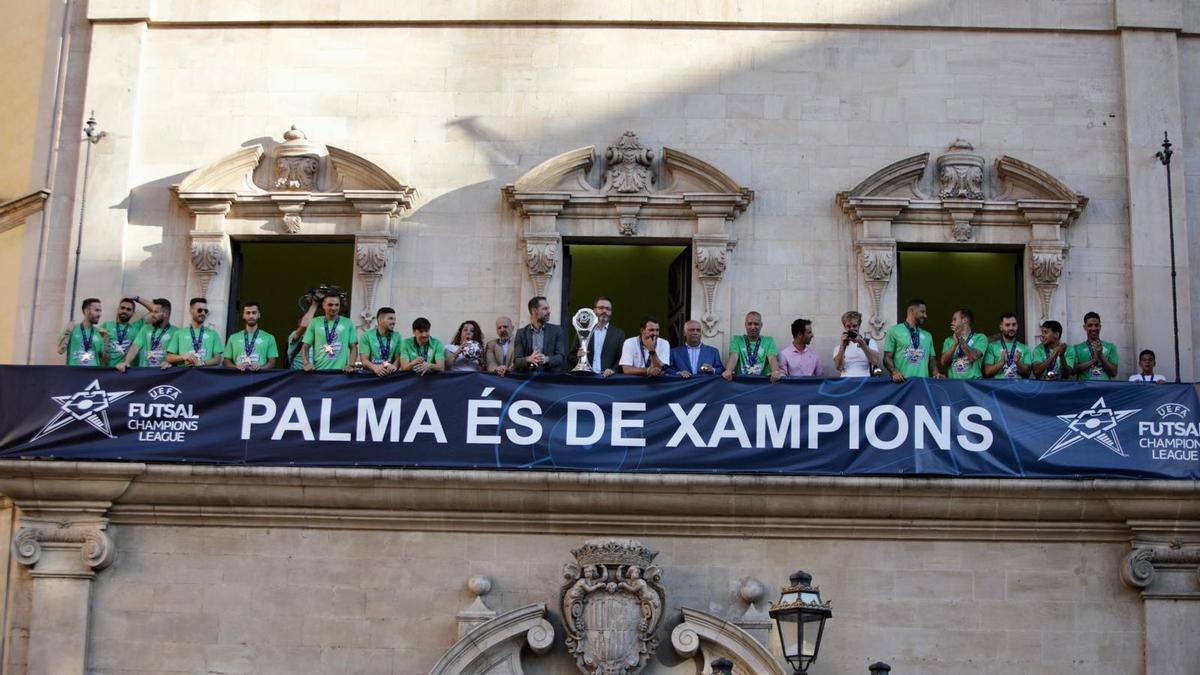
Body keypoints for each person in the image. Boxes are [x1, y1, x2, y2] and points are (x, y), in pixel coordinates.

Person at [883, 298, 940, 382]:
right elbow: (887, 357)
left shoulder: (928, 335)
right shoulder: (894, 331)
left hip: (923, 383)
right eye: (922, 312)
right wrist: (894, 372)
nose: (925, 316)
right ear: (911, 311)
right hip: (902, 383)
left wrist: (936, 373)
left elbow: (932, 360)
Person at [568, 296, 625, 377]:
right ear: (594, 310)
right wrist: (578, 357)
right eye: (601, 308)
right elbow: (570, 357)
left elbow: (622, 358)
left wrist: (613, 370)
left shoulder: (619, 334)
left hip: (607, 379)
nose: (604, 311)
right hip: (585, 377)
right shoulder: (583, 331)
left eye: (608, 309)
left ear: (611, 312)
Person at [301, 294, 357, 373]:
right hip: (319, 372)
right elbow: (305, 346)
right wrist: (306, 364)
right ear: (323, 305)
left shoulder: (348, 322)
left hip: (340, 373)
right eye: (330, 305)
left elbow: (353, 347)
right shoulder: (315, 322)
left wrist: (351, 365)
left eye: (336, 305)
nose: (334, 308)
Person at [116, 298, 176, 372]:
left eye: (156, 312)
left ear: (166, 314)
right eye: (152, 312)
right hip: (144, 374)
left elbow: (176, 355)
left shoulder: (176, 332)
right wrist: (126, 362)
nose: (152, 315)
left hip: (163, 374)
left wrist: (170, 363)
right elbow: (135, 347)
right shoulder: (145, 328)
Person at [723, 311, 781, 383]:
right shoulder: (737, 340)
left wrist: (775, 371)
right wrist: (729, 370)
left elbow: (772, 358)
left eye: (756, 324)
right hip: (741, 384)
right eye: (749, 324)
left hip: (761, 385)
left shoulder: (768, 340)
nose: (753, 327)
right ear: (745, 325)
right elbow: (733, 356)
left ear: (761, 325)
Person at [513, 296, 567, 372]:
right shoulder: (521, 333)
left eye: (548, 308)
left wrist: (546, 359)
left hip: (550, 378)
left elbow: (561, 357)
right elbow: (517, 361)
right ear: (534, 311)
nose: (549, 311)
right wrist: (529, 359)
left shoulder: (557, 330)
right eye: (545, 309)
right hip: (527, 378)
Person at [165, 298, 223, 368]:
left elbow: (218, 359)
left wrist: (201, 363)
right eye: (200, 310)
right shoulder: (179, 333)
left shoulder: (213, 334)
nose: (203, 313)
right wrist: (184, 357)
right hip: (184, 375)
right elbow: (169, 357)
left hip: (205, 375)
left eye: (205, 311)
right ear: (191, 310)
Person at [223, 301, 278, 370]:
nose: (251, 316)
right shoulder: (233, 337)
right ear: (243, 315)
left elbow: (272, 363)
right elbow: (226, 361)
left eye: (254, 313)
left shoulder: (269, 337)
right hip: (238, 377)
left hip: (260, 377)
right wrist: (236, 367)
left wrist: (260, 368)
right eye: (248, 313)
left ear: (259, 315)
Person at [100, 296, 153, 367]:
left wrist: (137, 298)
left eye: (128, 309)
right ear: (118, 309)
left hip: (128, 371)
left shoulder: (137, 326)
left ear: (133, 313)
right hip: (109, 370)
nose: (124, 311)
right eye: (122, 308)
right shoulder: (106, 325)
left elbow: (155, 310)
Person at [57, 298, 108, 366]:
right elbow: (60, 351)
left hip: (92, 374)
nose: (99, 314)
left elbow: (105, 360)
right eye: (96, 310)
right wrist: (68, 332)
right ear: (86, 311)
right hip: (75, 374)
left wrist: (105, 341)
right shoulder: (72, 328)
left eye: (100, 311)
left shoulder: (99, 333)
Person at [939, 308, 987, 380]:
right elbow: (943, 362)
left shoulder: (980, 337)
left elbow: (973, 357)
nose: (952, 323)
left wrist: (960, 339)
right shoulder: (948, 340)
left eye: (954, 319)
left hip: (973, 383)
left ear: (965, 320)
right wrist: (954, 344)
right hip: (953, 383)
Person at [983, 312, 1032, 379]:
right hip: (998, 387)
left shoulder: (1025, 348)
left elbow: (1028, 373)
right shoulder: (991, 346)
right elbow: (987, 372)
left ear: (1017, 326)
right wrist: (1001, 363)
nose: (1011, 328)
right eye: (1007, 325)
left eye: (1014, 325)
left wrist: (1018, 362)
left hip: (1018, 387)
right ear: (1001, 327)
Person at [1071, 312, 1119, 381]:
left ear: (1100, 327)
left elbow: (1114, 373)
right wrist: (1094, 360)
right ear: (1085, 327)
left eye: (1096, 325)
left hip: (1104, 388)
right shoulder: (1076, 348)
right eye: (1090, 325)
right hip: (1084, 388)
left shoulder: (1111, 347)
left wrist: (1101, 355)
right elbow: (1073, 371)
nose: (1093, 328)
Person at [832, 310, 879, 378]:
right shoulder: (838, 347)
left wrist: (862, 343)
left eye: (854, 326)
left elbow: (875, 361)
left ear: (859, 326)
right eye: (848, 326)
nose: (852, 329)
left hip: (865, 382)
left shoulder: (870, 342)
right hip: (846, 382)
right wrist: (843, 345)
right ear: (844, 327)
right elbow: (838, 367)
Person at [357, 307, 402, 377]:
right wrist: (375, 367)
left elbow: (398, 358)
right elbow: (364, 360)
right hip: (371, 376)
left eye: (394, 319)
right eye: (390, 318)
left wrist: (394, 366)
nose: (394, 322)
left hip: (390, 376)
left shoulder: (397, 336)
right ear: (380, 320)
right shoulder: (367, 336)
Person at [286, 293, 320, 370]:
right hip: (298, 376)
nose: (310, 323)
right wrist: (315, 304)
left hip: (314, 376)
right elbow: (304, 325)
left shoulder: (316, 336)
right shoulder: (294, 335)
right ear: (299, 323)